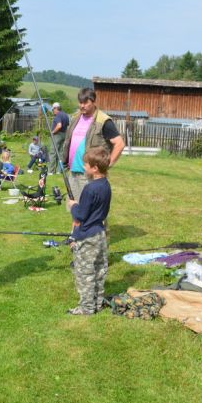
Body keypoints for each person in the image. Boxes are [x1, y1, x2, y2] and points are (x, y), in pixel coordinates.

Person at [67, 146, 111, 315]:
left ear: (95, 168)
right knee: (100, 270)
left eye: (85, 165)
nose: (84, 167)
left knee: (85, 273)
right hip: (100, 233)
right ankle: (97, 303)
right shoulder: (106, 185)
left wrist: (73, 205)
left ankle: (86, 308)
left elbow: (81, 215)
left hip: (87, 236)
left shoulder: (89, 188)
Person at [62, 87, 125, 204]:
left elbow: (119, 144)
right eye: (80, 102)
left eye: (86, 103)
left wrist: (107, 164)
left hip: (90, 175)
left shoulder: (104, 121)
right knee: (75, 211)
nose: (82, 106)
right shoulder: (76, 117)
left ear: (94, 101)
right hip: (73, 172)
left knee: (92, 212)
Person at [48, 102, 69, 174]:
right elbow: (67, 126)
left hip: (57, 135)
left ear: (56, 108)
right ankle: (58, 171)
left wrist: (53, 132)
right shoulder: (66, 115)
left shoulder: (58, 115)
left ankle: (51, 171)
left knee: (53, 153)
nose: (53, 111)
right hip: (64, 134)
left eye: (53, 109)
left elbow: (59, 125)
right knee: (60, 153)